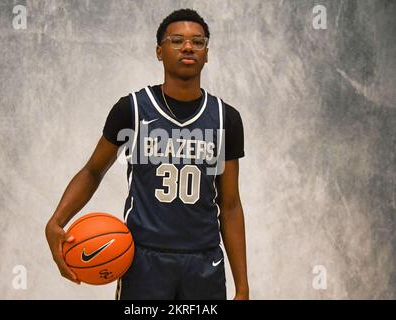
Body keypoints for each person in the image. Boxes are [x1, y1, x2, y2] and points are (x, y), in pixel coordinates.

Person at [45, 8, 249, 300]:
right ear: (159, 51)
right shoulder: (132, 109)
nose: (188, 47)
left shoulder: (225, 118)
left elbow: (229, 206)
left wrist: (242, 286)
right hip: (144, 261)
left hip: (203, 262)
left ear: (207, 53)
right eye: (177, 40)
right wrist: (57, 220)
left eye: (198, 42)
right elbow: (93, 171)